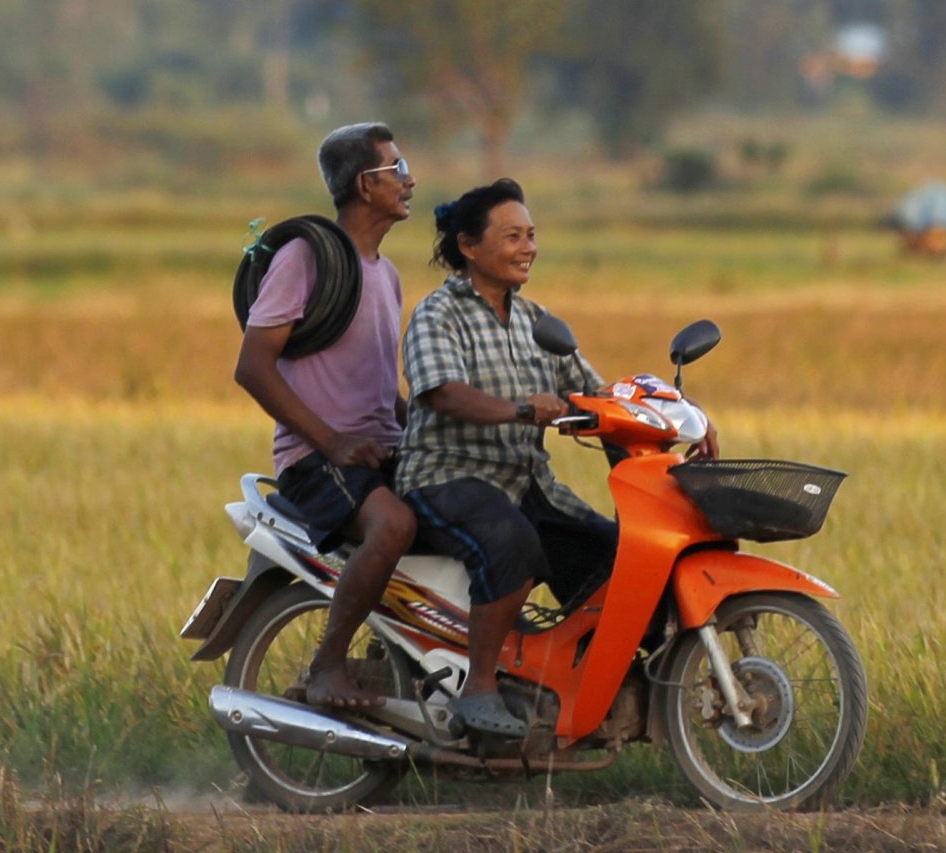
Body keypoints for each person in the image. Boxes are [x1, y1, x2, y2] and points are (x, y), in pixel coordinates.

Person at [401, 179, 703, 739]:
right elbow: (442, 392)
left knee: (618, 559)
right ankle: (480, 688)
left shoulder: (537, 322)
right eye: (512, 236)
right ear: (469, 246)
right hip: (447, 478)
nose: (528, 248)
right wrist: (520, 410)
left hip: (525, 483)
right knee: (513, 541)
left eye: (531, 235)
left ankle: (568, 684)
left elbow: (597, 395)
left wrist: (683, 426)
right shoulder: (437, 315)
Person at [232, 123, 419, 711]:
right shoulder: (305, 257)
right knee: (392, 527)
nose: (410, 180)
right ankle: (326, 666)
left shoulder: (386, 274)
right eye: (398, 168)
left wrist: (429, 428)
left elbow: (383, 386)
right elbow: (253, 367)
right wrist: (334, 443)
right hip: (319, 460)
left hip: (379, 450)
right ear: (367, 185)